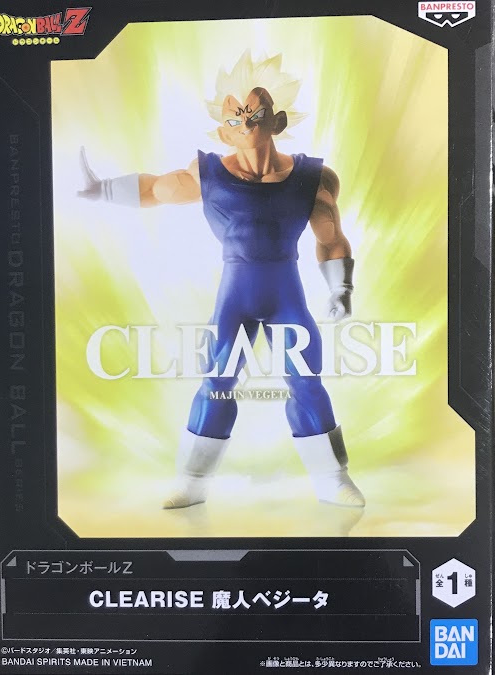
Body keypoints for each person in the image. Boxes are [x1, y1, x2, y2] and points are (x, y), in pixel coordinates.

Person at [78, 51, 365, 510]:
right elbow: (157, 188)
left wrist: (342, 288)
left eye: (255, 113)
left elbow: (331, 238)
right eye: (235, 117)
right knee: (216, 379)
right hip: (236, 296)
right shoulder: (210, 173)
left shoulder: (314, 178)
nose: (245, 121)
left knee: (307, 380)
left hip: (285, 295)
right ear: (223, 131)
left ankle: (332, 478)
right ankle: (192, 481)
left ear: (277, 121)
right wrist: (103, 189)